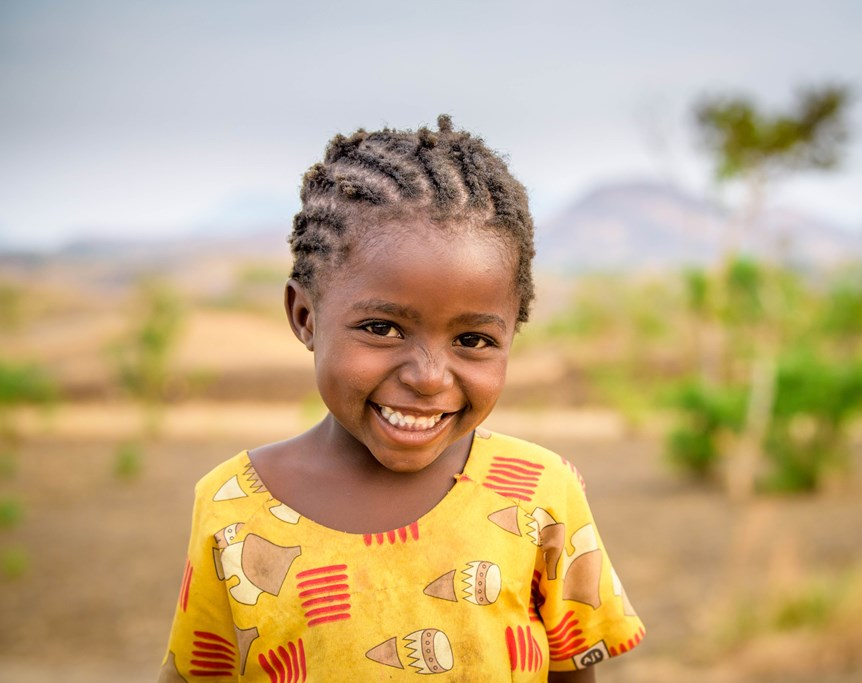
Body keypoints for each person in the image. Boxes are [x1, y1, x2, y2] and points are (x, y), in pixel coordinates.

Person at [159, 115, 645, 682]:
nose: (429, 377)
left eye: (473, 340)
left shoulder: (539, 491)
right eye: (383, 329)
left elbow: (572, 671)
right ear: (305, 315)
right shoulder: (232, 506)